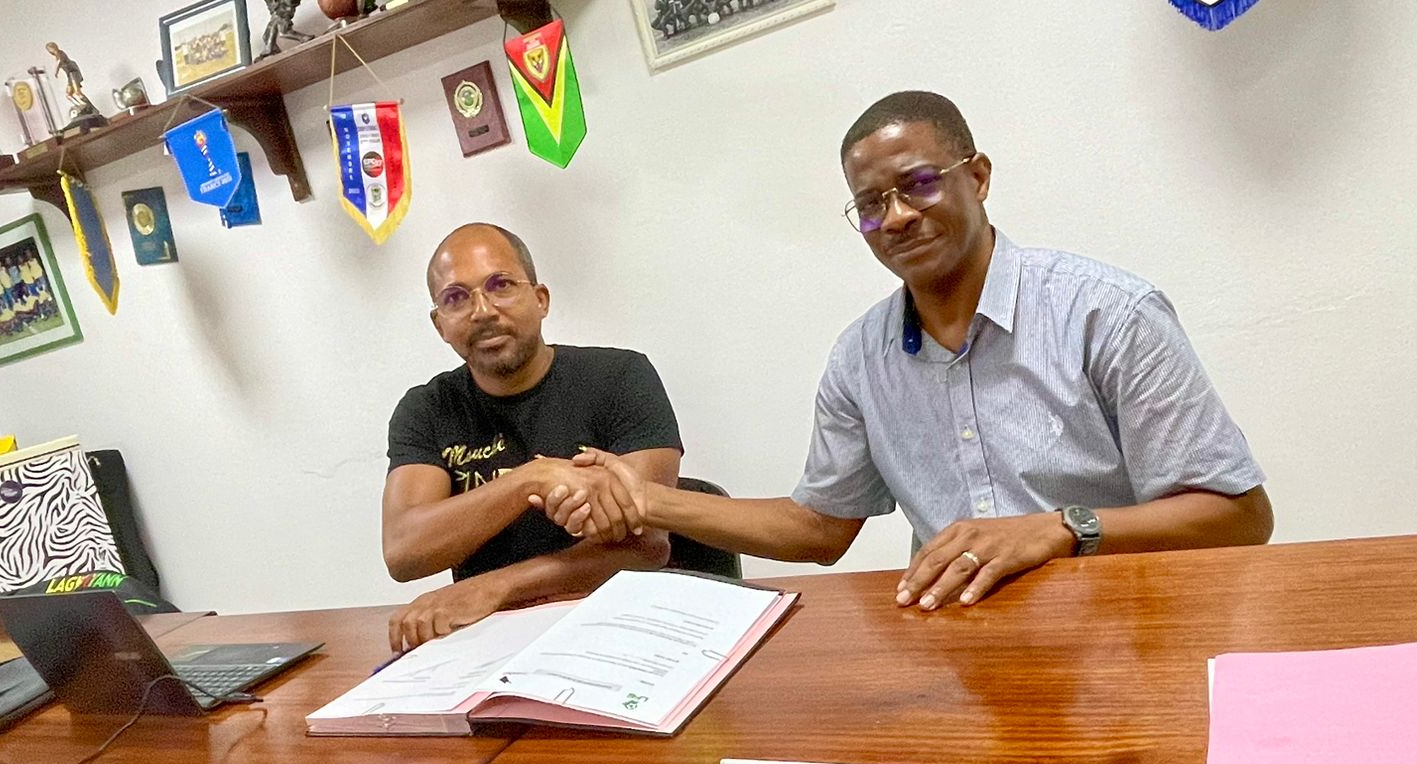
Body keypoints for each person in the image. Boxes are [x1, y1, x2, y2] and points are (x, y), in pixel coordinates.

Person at [540, 90, 1273, 613]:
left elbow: (1240, 518)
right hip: (965, 646)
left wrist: (1057, 529)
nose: (895, 217)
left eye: (919, 184)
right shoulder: (861, 361)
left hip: (1134, 629)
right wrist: (648, 500)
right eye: (869, 204)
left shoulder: (1107, 314)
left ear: (977, 176)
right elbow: (820, 529)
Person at [381, 223, 682, 652]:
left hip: (620, 624)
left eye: (500, 285)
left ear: (541, 300)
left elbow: (645, 545)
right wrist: (532, 479)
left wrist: (494, 587)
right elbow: (405, 551)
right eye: (456, 297)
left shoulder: (620, 378)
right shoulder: (427, 409)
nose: (482, 310)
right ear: (440, 325)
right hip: (487, 641)